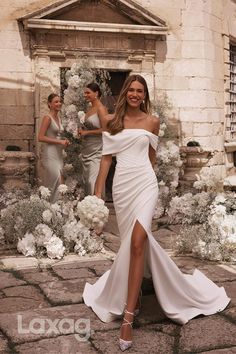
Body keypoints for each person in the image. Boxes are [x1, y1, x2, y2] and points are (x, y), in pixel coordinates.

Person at [82, 75, 230, 351]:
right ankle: (135, 293)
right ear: (125, 92)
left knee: (138, 240)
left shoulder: (153, 121)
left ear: (144, 95)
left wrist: (150, 181)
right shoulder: (112, 121)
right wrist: (98, 192)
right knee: (132, 245)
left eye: (140, 91)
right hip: (123, 186)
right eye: (132, 90)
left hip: (145, 184)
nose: (136, 94)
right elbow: (106, 159)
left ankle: (127, 316)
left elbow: (151, 158)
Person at [38, 93, 70, 202]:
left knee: (60, 182)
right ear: (49, 104)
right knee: (55, 180)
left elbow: (57, 136)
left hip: (58, 154)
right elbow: (40, 137)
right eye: (56, 102)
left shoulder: (58, 118)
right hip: (50, 153)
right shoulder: (47, 118)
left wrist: (65, 141)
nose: (59, 103)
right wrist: (59, 142)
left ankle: (56, 211)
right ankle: (50, 209)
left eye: (60, 101)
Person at [78, 82, 108, 196]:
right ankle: (87, 210)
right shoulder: (90, 108)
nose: (85, 95)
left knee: (93, 181)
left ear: (96, 93)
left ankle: (96, 208)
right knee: (86, 181)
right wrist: (82, 130)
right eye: (84, 93)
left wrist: (87, 132)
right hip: (87, 148)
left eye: (88, 93)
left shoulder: (101, 109)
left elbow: (105, 130)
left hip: (97, 150)